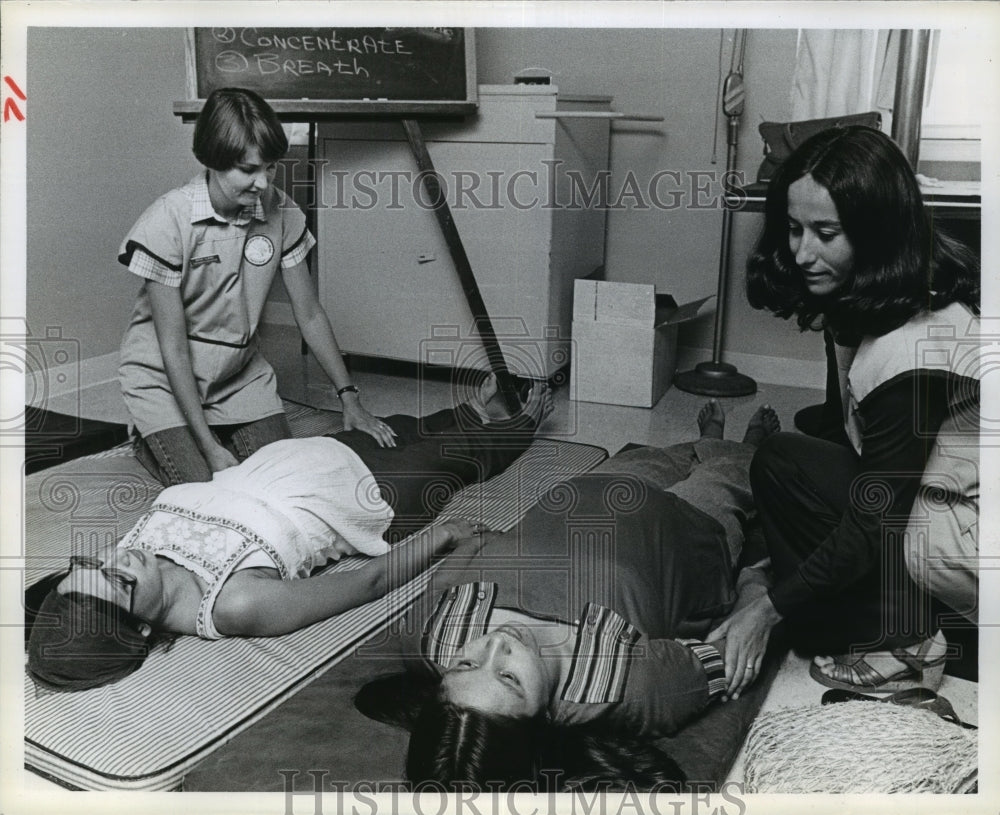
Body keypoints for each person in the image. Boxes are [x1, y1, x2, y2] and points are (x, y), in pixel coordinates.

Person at [25, 377, 552, 693]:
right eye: (117, 581)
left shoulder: (129, 567)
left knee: (400, 425)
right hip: (372, 491)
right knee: (464, 457)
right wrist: (444, 538)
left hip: (306, 455)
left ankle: (475, 412)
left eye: (90, 565)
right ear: (141, 631)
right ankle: (520, 423)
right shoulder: (235, 604)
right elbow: (366, 584)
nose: (116, 558)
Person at [355, 401, 782, 791]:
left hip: (590, 491)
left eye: (467, 663)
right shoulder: (629, 688)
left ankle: (707, 438)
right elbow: (731, 653)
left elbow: (451, 574)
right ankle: (746, 444)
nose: (497, 646)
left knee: (666, 453)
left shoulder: (429, 640)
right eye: (509, 677)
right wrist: (753, 586)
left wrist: (483, 542)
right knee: (739, 470)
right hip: (690, 529)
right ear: (542, 721)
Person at [718, 125, 981, 698]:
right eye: (793, 228)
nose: (801, 252)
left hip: (969, 540)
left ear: (875, 232)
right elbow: (848, 430)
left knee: (783, 471)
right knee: (795, 448)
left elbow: (870, 520)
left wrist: (765, 606)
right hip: (933, 506)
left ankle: (907, 643)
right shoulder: (873, 292)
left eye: (826, 233)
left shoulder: (914, 352)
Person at [117, 86, 395, 488]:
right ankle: (150, 435)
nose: (263, 183)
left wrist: (350, 398)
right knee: (210, 487)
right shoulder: (167, 221)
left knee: (280, 480)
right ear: (212, 160)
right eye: (248, 170)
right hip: (164, 377)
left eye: (271, 167)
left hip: (238, 377)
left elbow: (310, 313)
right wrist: (209, 447)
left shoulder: (281, 212)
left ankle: (213, 429)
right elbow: (172, 348)